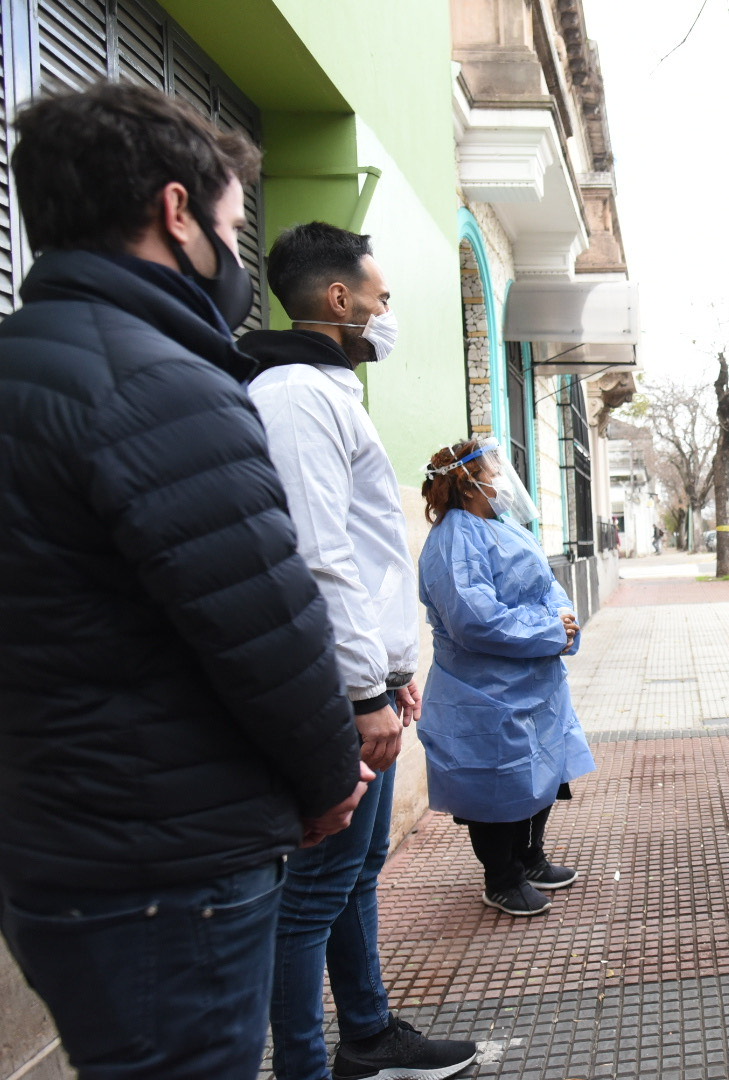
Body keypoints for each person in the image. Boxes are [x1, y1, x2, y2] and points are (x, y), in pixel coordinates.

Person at [0, 83, 368, 1080]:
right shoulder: (159, 382)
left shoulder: (27, 365)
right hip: (168, 866)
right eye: (233, 228)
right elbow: (267, 625)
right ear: (176, 211)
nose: (238, 259)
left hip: (55, 850)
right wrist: (330, 778)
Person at [239, 224, 475, 1080]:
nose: (387, 313)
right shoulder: (295, 396)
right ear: (339, 299)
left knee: (355, 871)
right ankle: (307, 1066)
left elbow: (366, 551)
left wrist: (394, 672)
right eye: (382, 298)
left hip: (367, 683)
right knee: (312, 892)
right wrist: (364, 691)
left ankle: (368, 1034)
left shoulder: (328, 391)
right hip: (339, 696)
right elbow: (318, 557)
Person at [417, 438, 596, 917]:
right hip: (485, 689)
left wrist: (562, 623)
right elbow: (474, 620)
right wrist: (550, 630)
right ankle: (501, 878)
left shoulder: (504, 526)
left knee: (541, 772)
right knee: (496, 784)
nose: (503, 481)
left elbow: (548, 587)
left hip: (534, 682)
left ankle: (530, 859)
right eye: (494, 472)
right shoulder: (454, 539)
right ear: (468, 483)